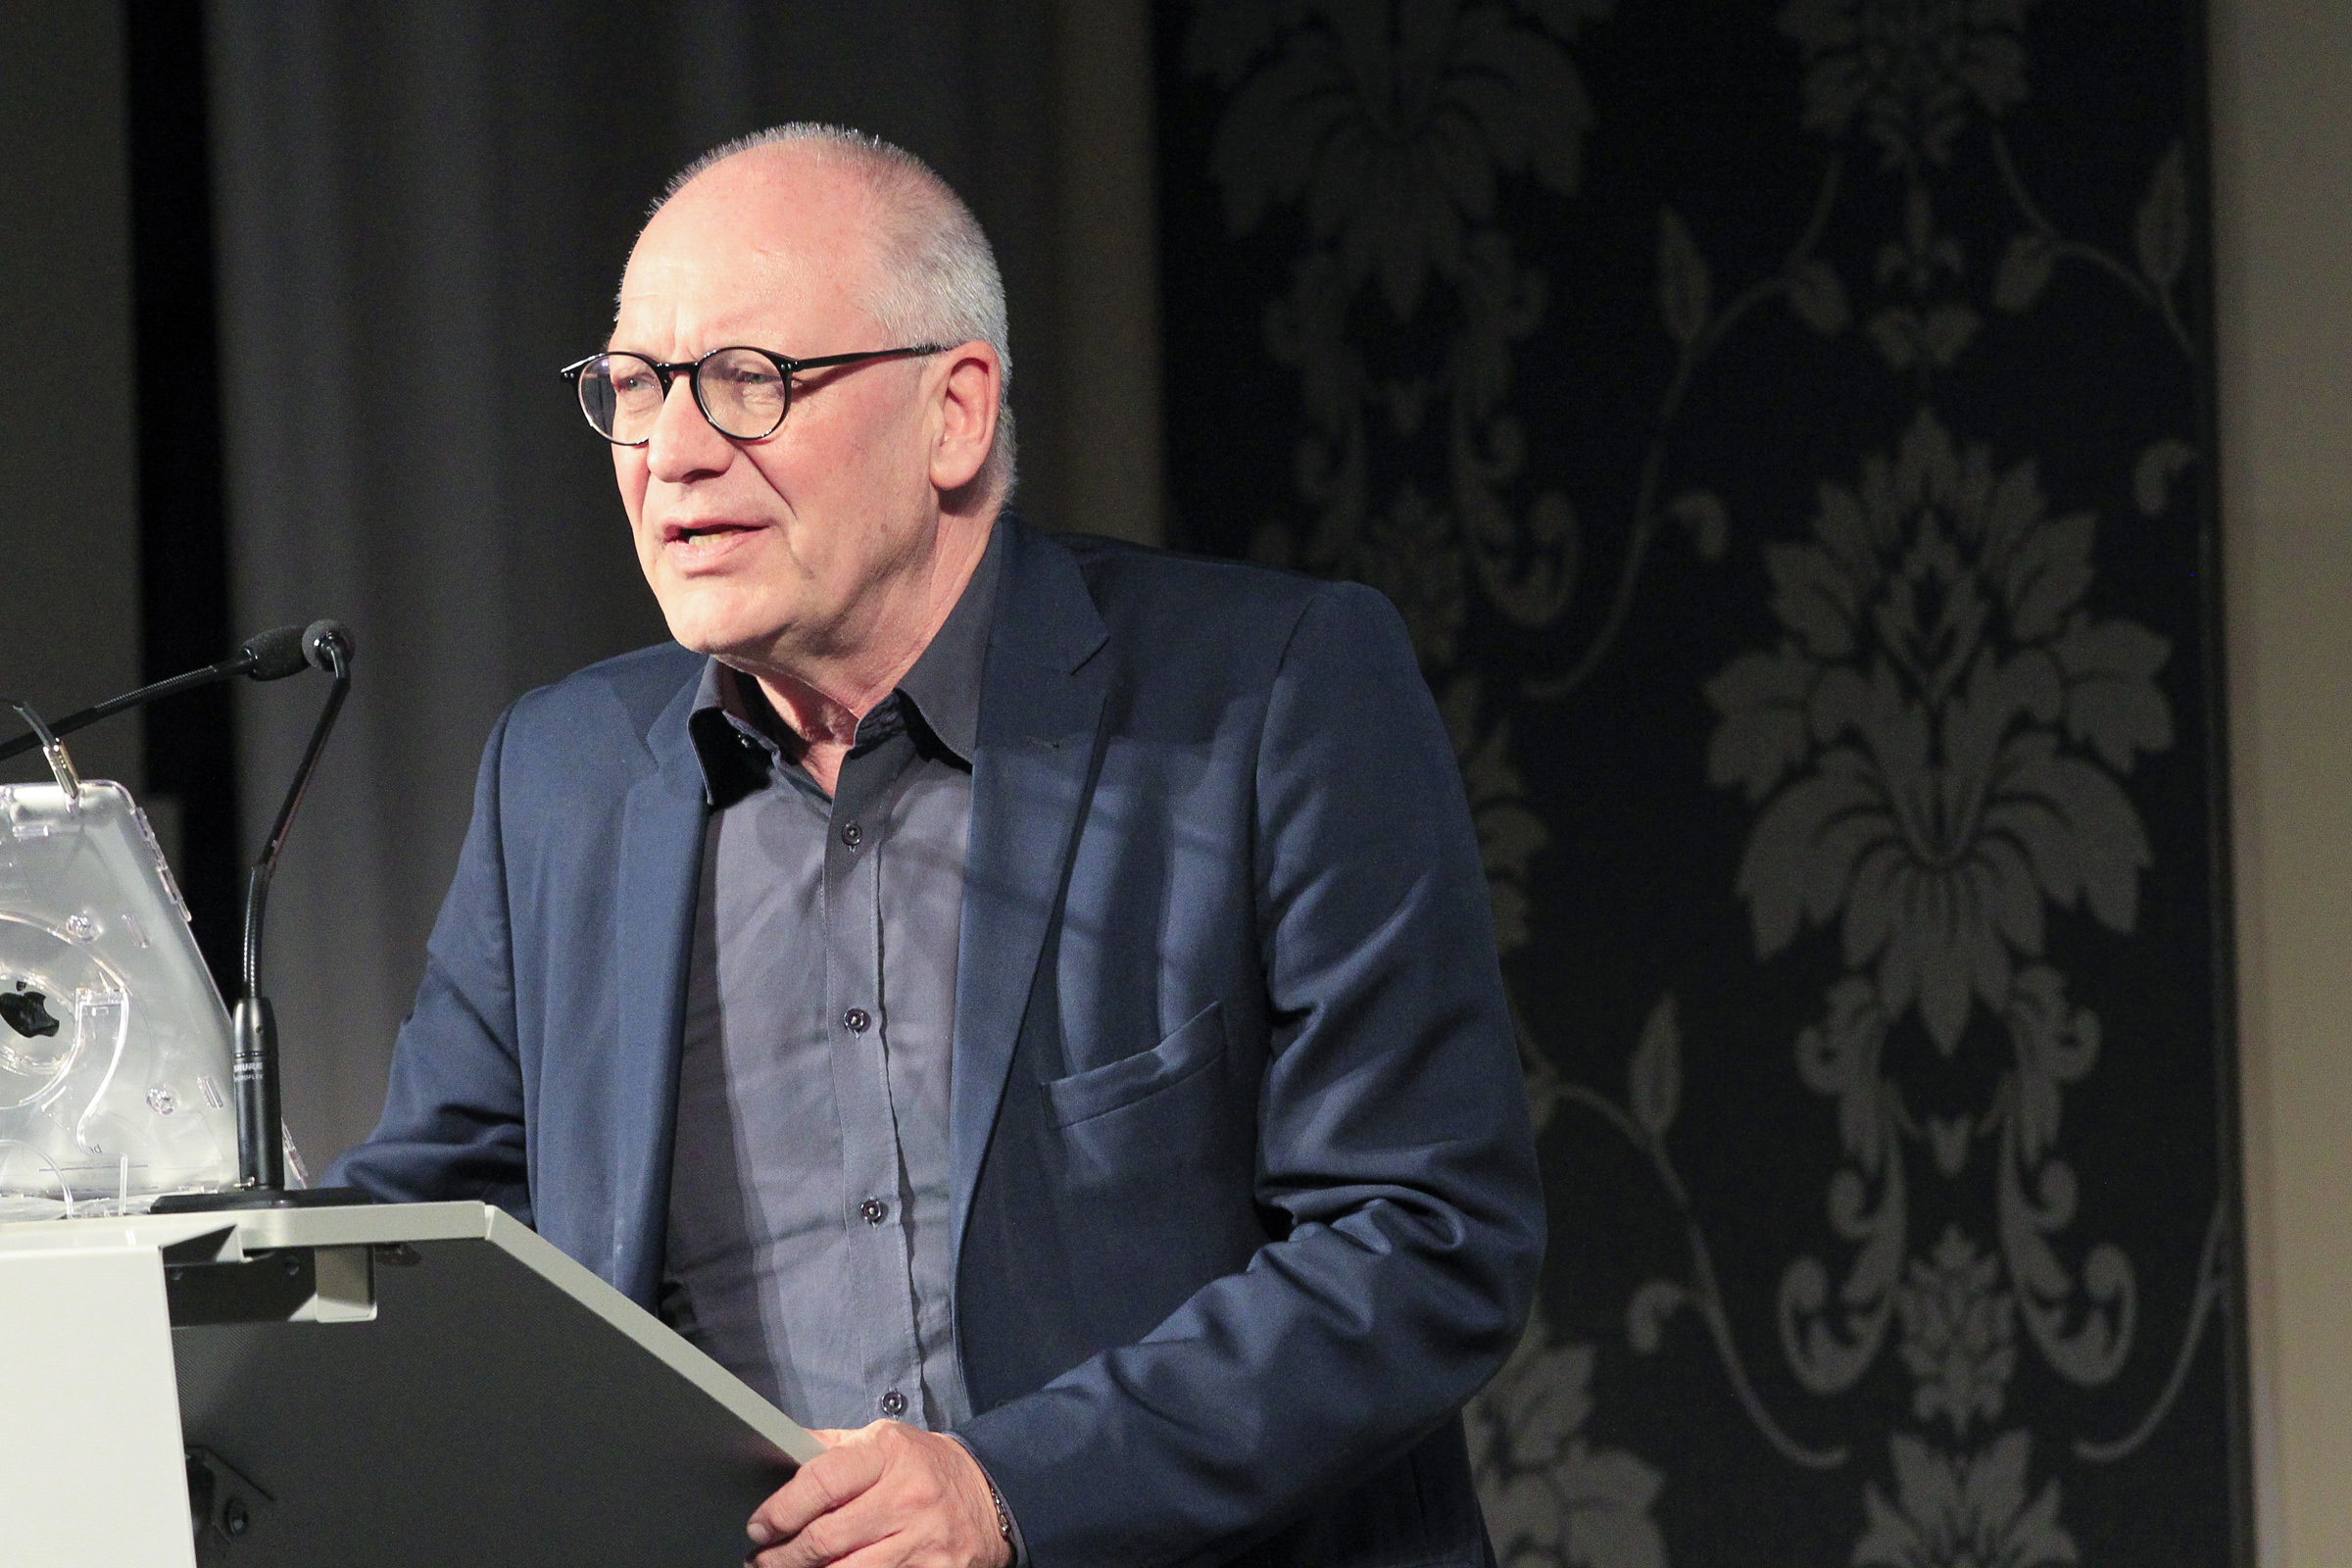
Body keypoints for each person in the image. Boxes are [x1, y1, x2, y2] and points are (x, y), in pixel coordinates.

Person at [328, 123, 1544, 1568]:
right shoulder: (564, 777)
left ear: (954, 415)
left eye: (749, 381)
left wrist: (1014, 1490)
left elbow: (1421, 1235)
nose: (674, 454)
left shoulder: (1269, 697)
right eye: (637, 388)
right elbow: (432, 1246)